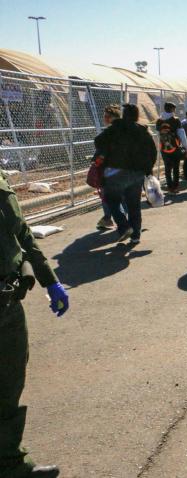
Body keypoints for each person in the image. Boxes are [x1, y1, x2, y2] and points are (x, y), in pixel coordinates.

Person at [0, 172, 69, 478]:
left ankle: (10, 463)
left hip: (8, 304)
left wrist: (50, 280)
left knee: (8, 387)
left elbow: (22, 234)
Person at [94, 104, 157, 244]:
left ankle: (124, 226)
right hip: (137, 173)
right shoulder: (143, 130)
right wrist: (148, 169)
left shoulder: (115, 128)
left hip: (116, 172)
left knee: (112, 200)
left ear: (124, 114)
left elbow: (98, 141)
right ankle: (136, 236)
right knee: (134, 205)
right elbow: (153, 151)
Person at [96, 104, 123, 230]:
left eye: (106, 116)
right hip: (124, 168)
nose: (104, 119)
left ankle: (109, 218)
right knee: (121, 196)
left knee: (107, 195)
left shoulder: (109, 132)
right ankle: (114, 219)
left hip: (112, 169)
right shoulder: (124, 131)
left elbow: (101, 146)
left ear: (111, 118)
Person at [156, 102, 187, 194]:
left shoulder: (159, 121)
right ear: (172, 109)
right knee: (176, 167)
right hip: (175, 147)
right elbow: (182, 134)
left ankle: (169, 186)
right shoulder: (176, 120)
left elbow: (158, 133)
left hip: (164, 148)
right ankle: (175, 187)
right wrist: (186, 147)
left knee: (167, 167)